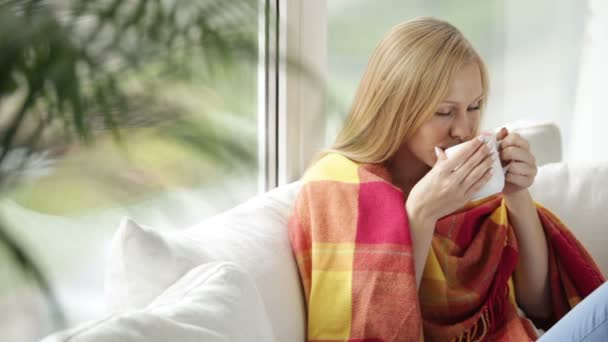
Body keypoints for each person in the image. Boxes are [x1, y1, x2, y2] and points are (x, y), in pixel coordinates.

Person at [288, 17, 606, 341]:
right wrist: (420, 215)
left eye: (474, 106)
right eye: (444, 111)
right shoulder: (340, 186)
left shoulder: (475, 178)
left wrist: (517, 195)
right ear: (396, 107)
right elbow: (375, 326)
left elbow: (539, 304)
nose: (463, 129)